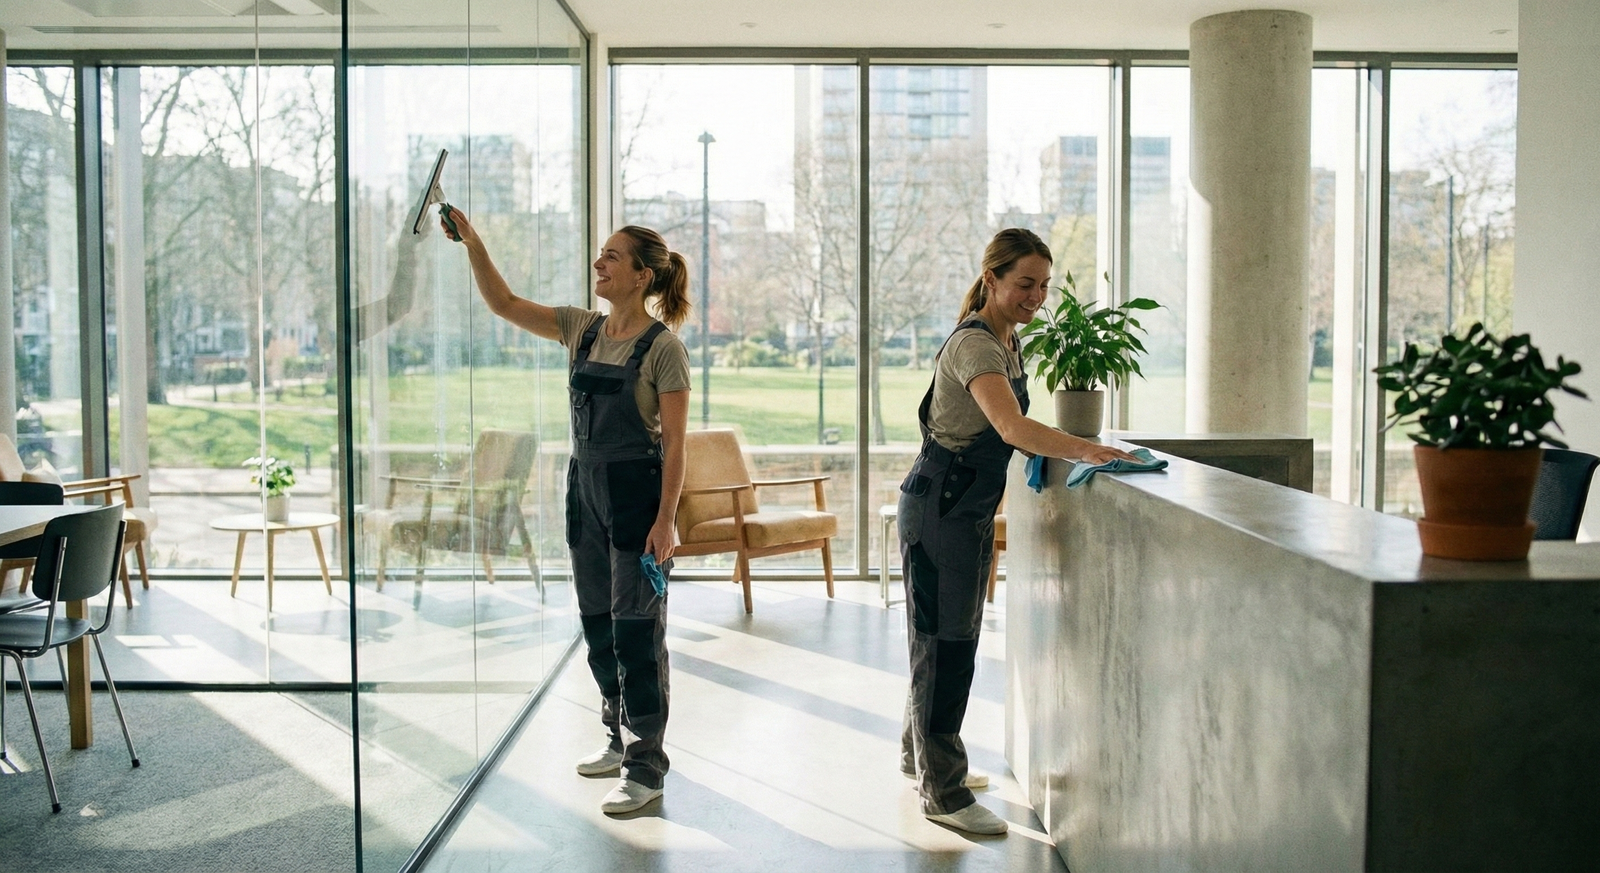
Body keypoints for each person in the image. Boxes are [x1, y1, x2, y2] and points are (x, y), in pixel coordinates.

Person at [444, 209, 692, 815]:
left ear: (640, 276)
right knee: (598, 623)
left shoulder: (664, 349)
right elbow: (503, 303)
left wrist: (665, 521)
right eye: (600, 255)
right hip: (584, 490)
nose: (598, 264)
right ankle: (616, 736)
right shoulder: (581, 330)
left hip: (638, 496)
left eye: (611, 257)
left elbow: (678, 446)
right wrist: (474, 241)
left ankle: (647, 766)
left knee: (638, 631)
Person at [898, 228, 1138, 835]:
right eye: (1024, 283)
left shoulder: (1008, 341)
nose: (1037, 296)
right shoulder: (977, 346)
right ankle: (944, 794)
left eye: (1044, 285)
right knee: (946, 644)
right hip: (941, 510)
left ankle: (920, 756)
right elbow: (1011, 427)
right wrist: (1092, 450)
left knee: (944, 635)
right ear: (992, 281)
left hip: (963, 510)